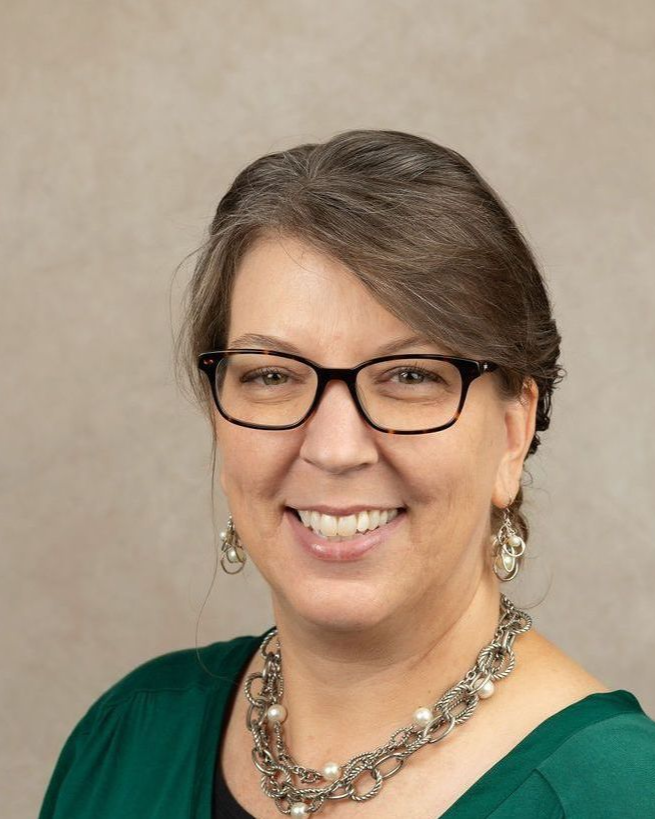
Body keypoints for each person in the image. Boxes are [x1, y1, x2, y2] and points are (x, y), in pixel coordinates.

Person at [38, 129, 655, 819]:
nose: (334, 449)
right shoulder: (125, 743)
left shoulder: (620, 794)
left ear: (512, 433)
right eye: (272, 375)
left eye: (410, 376)